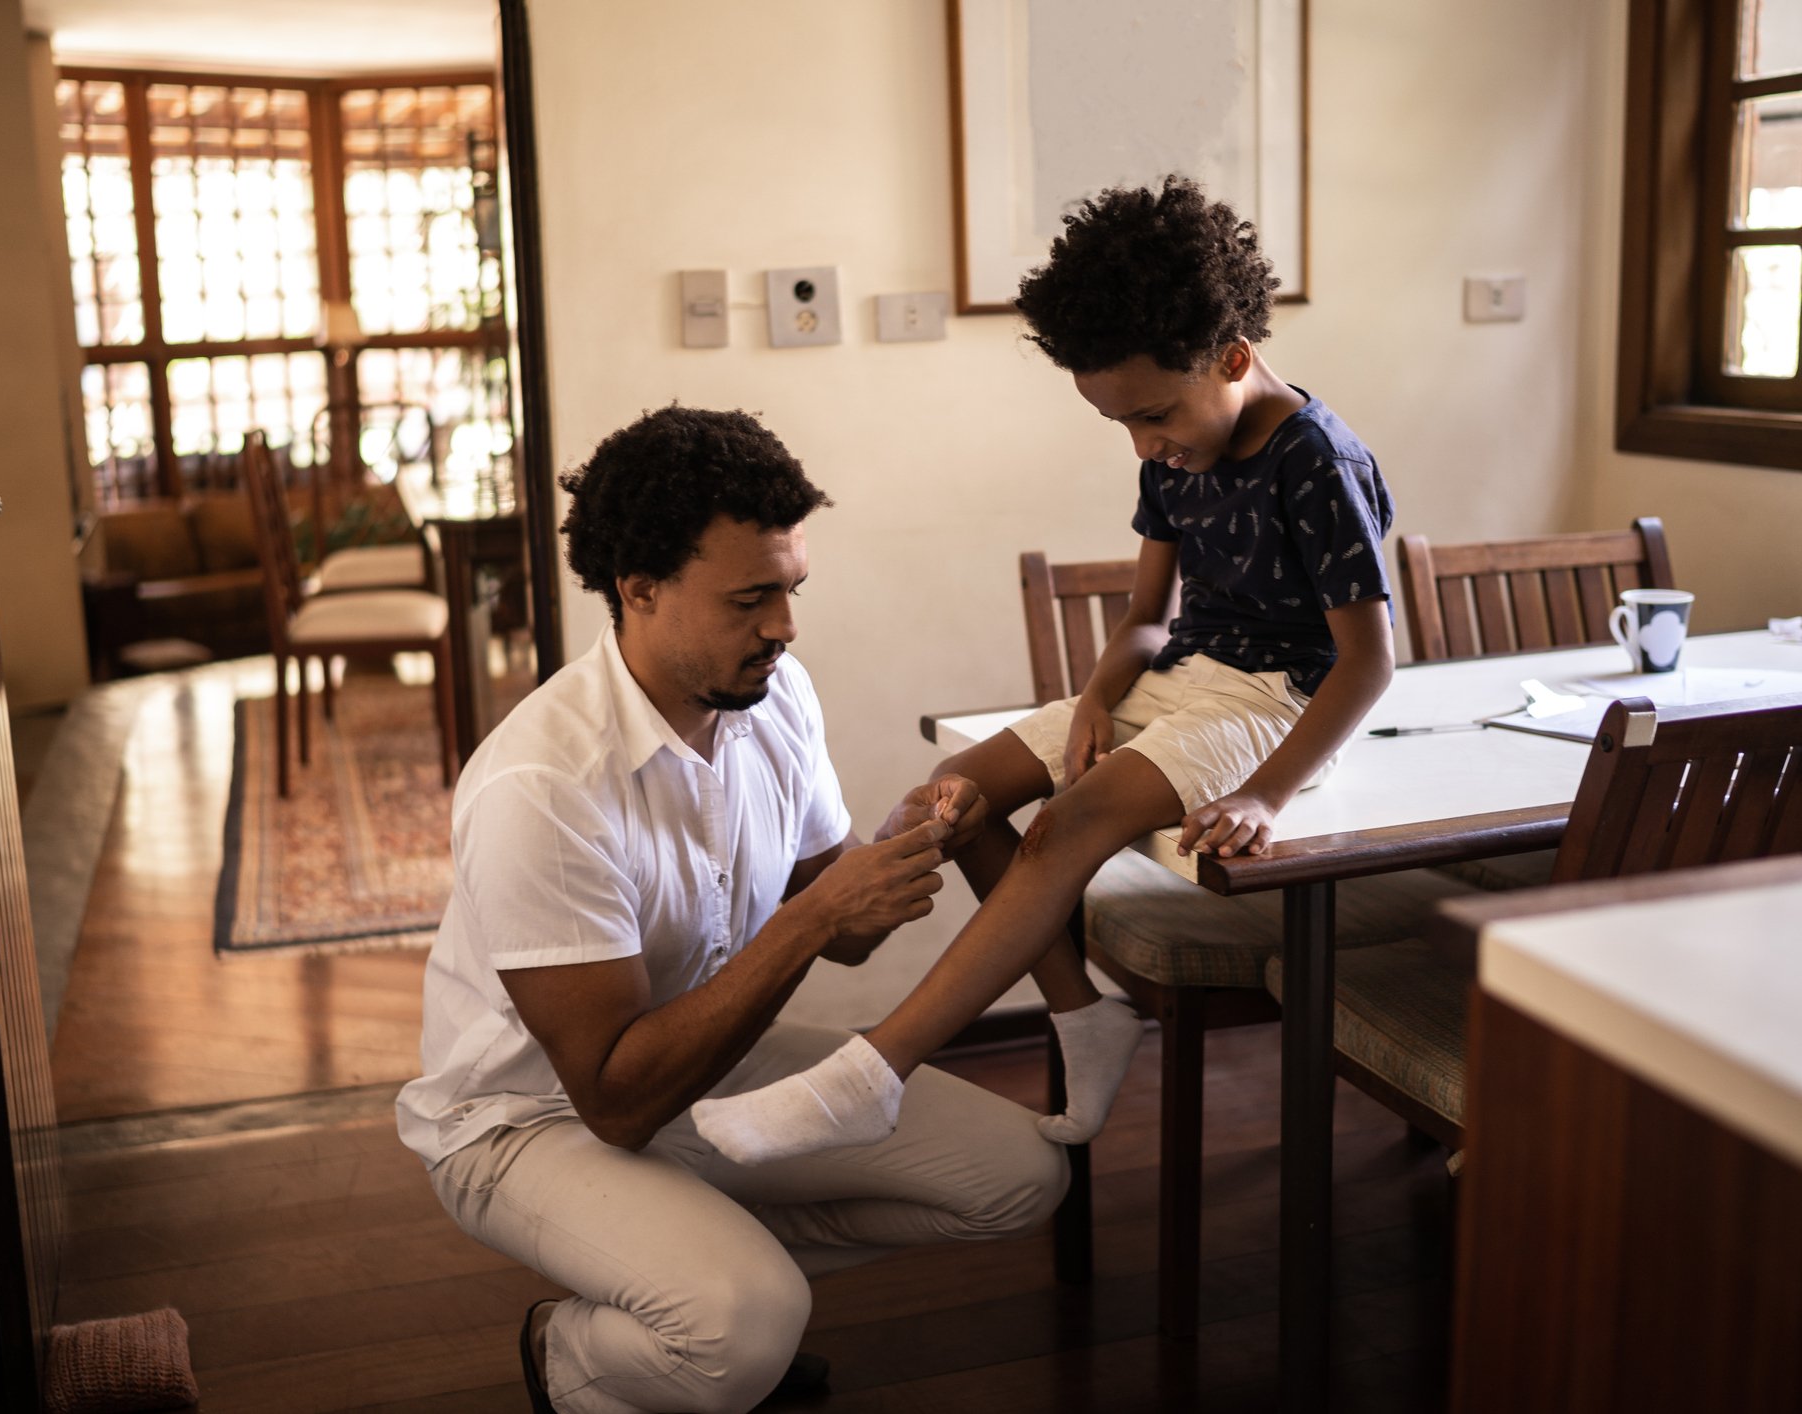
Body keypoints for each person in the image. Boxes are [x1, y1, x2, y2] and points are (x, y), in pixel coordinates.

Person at [692, 176, 1398, 1167]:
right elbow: (1149, 621)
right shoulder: (1172, 454)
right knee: (952, 799)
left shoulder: (1314, 460)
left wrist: (1269, 796)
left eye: (1153, 415)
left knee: (1066, 824)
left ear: (1232, 357)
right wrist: (1098, 698)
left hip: (1276, 703)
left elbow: (1370, 663)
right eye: (1120, 425)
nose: (1144, 445)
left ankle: (871, 1074)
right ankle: (1084, 1014)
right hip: (1184, 675)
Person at [395, 406, 1069, 1414]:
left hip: (710, 1052)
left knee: (1020, 1175)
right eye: (751, 599)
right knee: (741, 1323)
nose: (785, 628)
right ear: (639, 589)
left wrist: (912, 841)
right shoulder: (543, 783)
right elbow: (616, 1101)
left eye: (792, 590)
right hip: (533, 1118)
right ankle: (579, 1351)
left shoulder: (775, 695)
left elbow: (837, 920)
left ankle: (699, 1291)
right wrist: (814, 921)